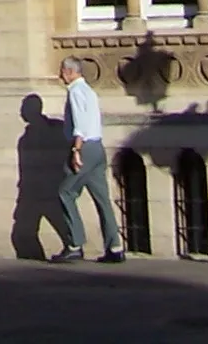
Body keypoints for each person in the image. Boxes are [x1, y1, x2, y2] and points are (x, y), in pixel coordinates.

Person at [53, 57, 124, 263]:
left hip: (84, 148)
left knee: (65, 192)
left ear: (70, 72)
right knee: (102, 198)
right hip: (97, 147)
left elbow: (80, 124)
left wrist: (76, 149)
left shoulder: (75, 91)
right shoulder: (90, 91)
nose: (61, 76)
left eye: (62, 71)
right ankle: (114, 246)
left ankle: (75, 243)